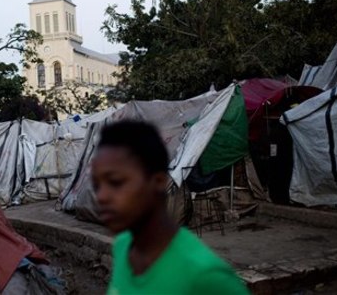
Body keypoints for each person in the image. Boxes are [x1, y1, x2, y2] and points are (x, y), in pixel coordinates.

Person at [91, 120, 249, 295]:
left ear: (158, 182)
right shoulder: (123, 246)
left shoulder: (206, 278)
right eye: (96, 185)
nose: (101, 196)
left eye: (116, 182)